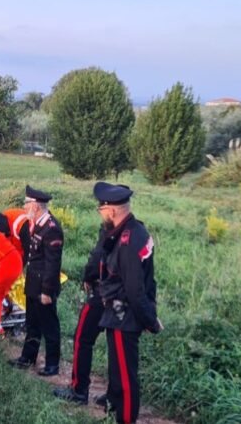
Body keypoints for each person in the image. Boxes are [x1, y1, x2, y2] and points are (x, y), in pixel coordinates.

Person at [92, 181, 163, 424]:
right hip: (117, 313)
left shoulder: (129, 239)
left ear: (111, 210)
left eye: (101, 210)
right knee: (116, 370)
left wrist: (150, 320)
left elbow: (136, 289)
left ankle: (126, 419)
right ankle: (114, 408)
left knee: (126, 377)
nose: (101, 215)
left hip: (126, 318)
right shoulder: (126, 231)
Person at [10, 185, 64, 376]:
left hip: (44, 285)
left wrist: (47, 292)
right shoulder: (38, 224)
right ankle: (28, 357)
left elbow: (52, 264)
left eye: (26, 204)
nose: (24, 208)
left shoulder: (51, 229)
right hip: (33, 282)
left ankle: (52, 364)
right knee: (32, 322)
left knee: (49, 325)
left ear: (36, 206)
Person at [52, 226, 107, 404]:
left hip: (101, 295)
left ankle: (79, 390)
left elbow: (96, 259)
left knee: (82, 340)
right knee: (115, 346)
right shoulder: (135, 232)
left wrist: (88, 277)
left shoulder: (109, 231)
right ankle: (115, 395)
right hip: (123, 299)